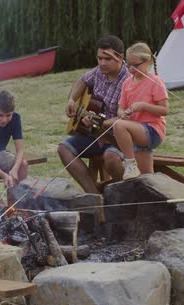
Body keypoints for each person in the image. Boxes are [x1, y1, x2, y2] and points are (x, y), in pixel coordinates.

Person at [58, 35, 131, 194]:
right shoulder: (98, 72)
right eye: (99, 58)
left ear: (120, 57)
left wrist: (99, 123)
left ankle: (122, 196)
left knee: (111, 159)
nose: (102, 63)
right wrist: (72, 99)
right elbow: (82, 80)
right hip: (95, 133)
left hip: (118, 138)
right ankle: (94, 195)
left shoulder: (129, 80)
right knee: (64, 149)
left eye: (107, 59)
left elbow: (127, 118)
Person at [103, 42, 168, 180]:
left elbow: (164, 110)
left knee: (118, 125)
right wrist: (122, 114)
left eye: (135, 65)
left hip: (152, 130)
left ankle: (129, 163)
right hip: (135, 132)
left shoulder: (155, 81)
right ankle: (150, 198)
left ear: (148, 62)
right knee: (146, 179)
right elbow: (121, 107)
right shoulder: (127, 82)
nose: (131, 69)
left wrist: (143, 106)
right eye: (128, 65)